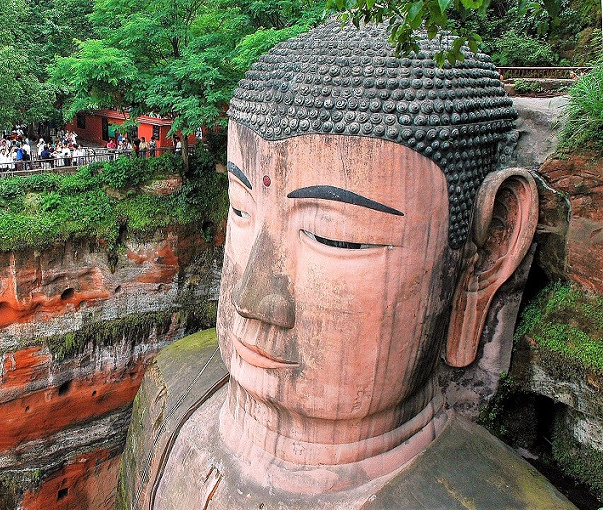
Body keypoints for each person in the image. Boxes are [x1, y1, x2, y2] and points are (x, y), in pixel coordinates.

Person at [118, 22, 574, 510]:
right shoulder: (173, 391)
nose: (249, 300)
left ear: (486, 256)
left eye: (335, 236)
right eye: (240, 209)